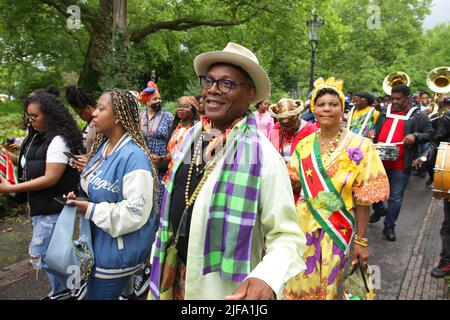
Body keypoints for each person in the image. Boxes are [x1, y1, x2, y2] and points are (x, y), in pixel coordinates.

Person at [149, 42, 306, 300]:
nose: (212, 90)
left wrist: (265, 278)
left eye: (226, 84)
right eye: (208, 81)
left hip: (221, 291)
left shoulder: (264, 158)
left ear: (250, 94)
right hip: (173, 276)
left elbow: (286, 236)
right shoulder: (190, 138)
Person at [283, 77, 389, 300]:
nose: (327, 109)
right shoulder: (303, 145)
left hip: (336, 229)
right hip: (303, 225)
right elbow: (292, 181)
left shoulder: (361, 146)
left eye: (333, 104)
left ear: (342, 108)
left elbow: (363, 201)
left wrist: (361, 241)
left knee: (328, 287)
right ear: (313, 108)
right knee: (297, 281)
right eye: (321, 104)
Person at [66, 89, 159, 300]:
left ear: (118, 116)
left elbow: (136, 212)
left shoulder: (134, 158)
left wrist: (89, 208)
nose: (94, 114)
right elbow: (97, 190)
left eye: (101, 109)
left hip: (116, 256)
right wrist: (79, 198)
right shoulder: (105, 147)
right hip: (97, 248)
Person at [0, 92, 84, 300]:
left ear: (50, 115)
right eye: (28, 116)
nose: (30, 120)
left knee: (45, 255)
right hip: (39, 207)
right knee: (54, 254)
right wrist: (6, 156)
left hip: (53, 207)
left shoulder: (57, 140)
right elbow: (30, 163)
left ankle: (75, 287)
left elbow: (50, 178)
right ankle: (62, 291)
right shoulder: (37, 136)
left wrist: (10, 189)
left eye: (34, 116)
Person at [370, 85, 433, 241]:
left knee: (395, 197)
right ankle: (378, 210)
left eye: (398, 99)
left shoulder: (417, 115)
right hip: (379, 161)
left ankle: (389, 226)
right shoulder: (385, 111)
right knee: (373, 192)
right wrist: (373, 134)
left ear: (407, 98)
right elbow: (376, 129)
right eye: (393, 98)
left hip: (400, 163)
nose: (395, 101)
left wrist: (415, 136)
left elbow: (430, 133)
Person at [413, 97, 450, 278]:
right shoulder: (448, 116)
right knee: (448, 224)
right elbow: (437, 141)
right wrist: (425, 156)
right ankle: (446, 261)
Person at [161, 96, 199, 184]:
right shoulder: (176, 129)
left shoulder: (196, 130)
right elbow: (173, 154)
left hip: (186, 177)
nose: (181, 109)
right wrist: (160, 159)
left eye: (186, 106)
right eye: (179, 106)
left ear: (193, 111)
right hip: (171, 174)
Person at [65, 85, 97, 154]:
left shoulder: (98, 123)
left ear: (88, 108)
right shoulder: (89, 125)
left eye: (80, 113)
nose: (80, 117)